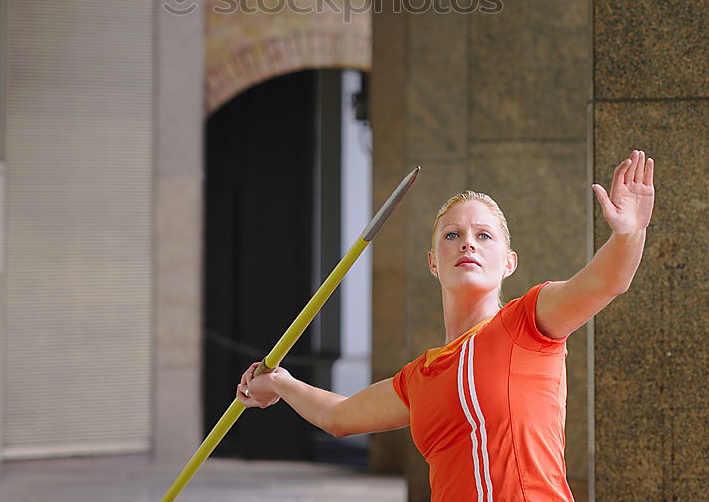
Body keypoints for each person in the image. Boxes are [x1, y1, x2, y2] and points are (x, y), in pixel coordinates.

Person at [237, 149, 655, 502]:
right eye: (452, 235)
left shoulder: (528, 322)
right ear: (433, 262)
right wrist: (277, 382)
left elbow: (606, 281)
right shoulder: (420, 377)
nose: (468, 242)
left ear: (509, 264)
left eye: (484, 236)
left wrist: (629, 235)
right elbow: (340, 417)